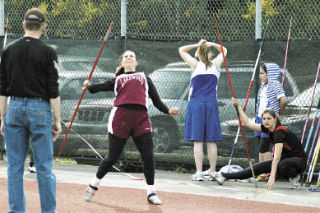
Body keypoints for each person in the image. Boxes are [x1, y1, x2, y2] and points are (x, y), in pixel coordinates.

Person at [83, 50, 179, 205]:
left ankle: (151, 192)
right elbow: (96, 88)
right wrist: (88, 86)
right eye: (126, 56)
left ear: (136, 62)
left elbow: (156, 100)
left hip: (141, 119)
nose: (128, 57)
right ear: (122, 63)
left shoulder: (144, 78)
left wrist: (168, 110)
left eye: (131, 56)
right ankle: (93, 185)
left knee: (148, 155)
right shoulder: (118, 79)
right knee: (112, 157)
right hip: (120, 118)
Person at [0, 8, 62, 212]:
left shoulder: (8, 50)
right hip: (40, 108)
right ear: (43, 27)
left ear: (24, 25)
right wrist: (57, 120)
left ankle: (16, 210)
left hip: (14, 107)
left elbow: (2, 87)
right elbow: (53, 90)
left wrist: (2, 116)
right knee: (44, 168)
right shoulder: (48, 52)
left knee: (14, 167)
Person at [211, 98, 306, 190]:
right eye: (264, 119)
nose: (266, 121)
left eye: (269, 118)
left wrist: (272, 178)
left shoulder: (280, 132)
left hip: (299, 161)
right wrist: (238, 106)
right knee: (255, 168)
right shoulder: (267, 128)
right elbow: (248, 123)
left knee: (282, 164)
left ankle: (295, 176)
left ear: (275, 119)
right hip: (284, 160)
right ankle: (223, 176)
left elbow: (276, 158)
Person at [178, 39, 226, 181]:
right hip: (211, 103)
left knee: (198, 140)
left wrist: (197, 45)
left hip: (196, 104)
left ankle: (199, 172)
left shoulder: (194, 64)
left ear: (198, 54)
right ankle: (212, 171)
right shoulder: (216, 64)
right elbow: (224, 50)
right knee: (211, 140)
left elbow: (181, 49)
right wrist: (211, 44)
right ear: (210, 53)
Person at [255, 63, 287, 162]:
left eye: (262, 73)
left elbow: (283, 100)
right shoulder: (263, 86)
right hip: (260, 119)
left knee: (264, 146)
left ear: (270, 73)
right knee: (260, 146)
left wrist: (278, 112)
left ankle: (267, 171)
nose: (260, 76)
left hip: (269, 120)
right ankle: (261, 171)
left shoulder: (275, 84)